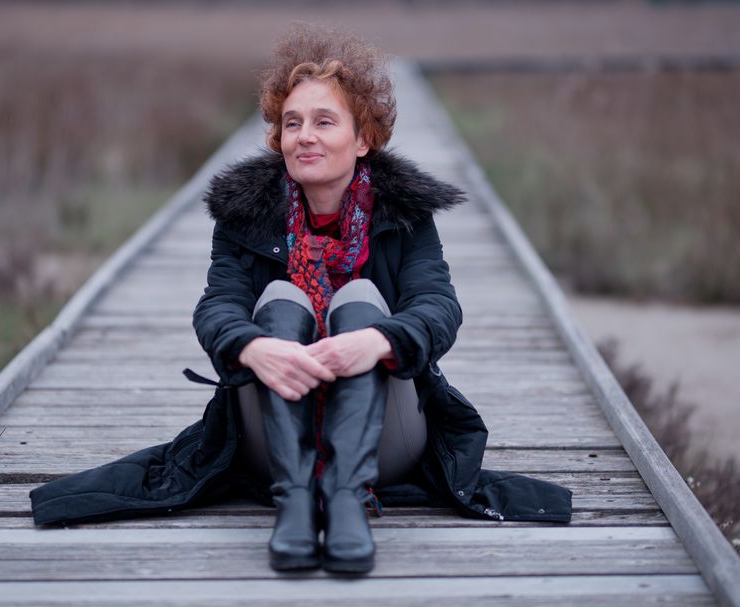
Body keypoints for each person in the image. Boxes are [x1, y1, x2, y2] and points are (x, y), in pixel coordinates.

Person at [29, 24, 572, 575]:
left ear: (362, 139)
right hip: (270, 440)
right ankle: (293, 503)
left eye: (324, 122)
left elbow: (439, 307)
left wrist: (377, 340)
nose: (304, 136)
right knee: (281, 294)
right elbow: (217, 306)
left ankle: (346, 498)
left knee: (360, 296)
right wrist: (251, 347)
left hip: (387, 441)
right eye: (293, 123)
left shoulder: (405, 217)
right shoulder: (244, 217)